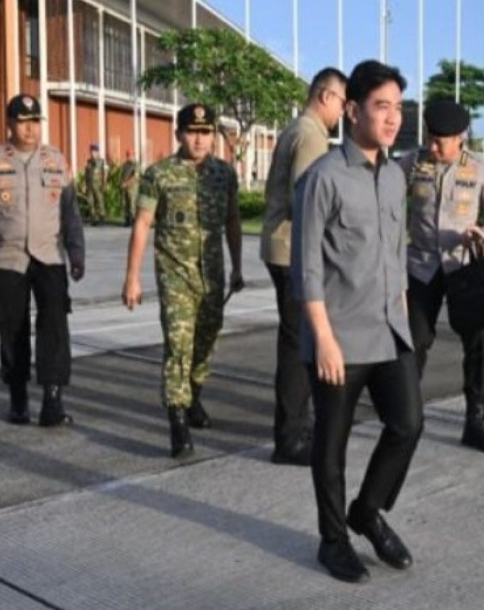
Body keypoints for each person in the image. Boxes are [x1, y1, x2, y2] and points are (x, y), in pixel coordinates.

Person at [293, 60, 422, 584]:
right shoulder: (322, 178)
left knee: (408, 424)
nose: (392, 118)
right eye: (381, 106)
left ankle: (366, 511)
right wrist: (322, 339)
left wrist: (406, 307)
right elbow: (306, 266)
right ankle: (333, 540)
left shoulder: (394, 176)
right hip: (339, 336)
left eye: (397, 108)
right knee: (332, 443)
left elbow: (396, 249)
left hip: (390, 329)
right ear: (352, 111)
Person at [122, 104, 243, 458]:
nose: (200, 138)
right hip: (175, 276)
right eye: (192, 131)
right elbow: (143, 224)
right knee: (179, 346)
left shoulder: (224, 174)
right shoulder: (159, 175)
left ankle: (193, 396)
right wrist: (132, 278)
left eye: (206, 132)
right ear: (178, 134)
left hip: (213, 276)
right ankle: (177, 419)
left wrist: (237, 267)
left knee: (206, 342)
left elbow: (233, 221)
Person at [0, 94, 85, 426]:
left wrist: (77, 253)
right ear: (9, 123)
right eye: (22, 121)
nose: (30, 129)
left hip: (50, 256)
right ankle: (18, 398)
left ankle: (53, 400)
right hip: (7, 258)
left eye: (35, 122)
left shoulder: (57, 161)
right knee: (11, 329)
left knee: (54, 328)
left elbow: (70, 212)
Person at [400, 100, 484, 454]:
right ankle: (407, 417)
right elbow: (385, 197)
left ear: (460, 137)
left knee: (479, 343)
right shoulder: (412, 163)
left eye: (441, 141)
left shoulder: (479, 168)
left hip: (464, 267)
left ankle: (474, 420)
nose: (434, 147)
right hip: (421, 267)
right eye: (431, 138)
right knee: (414, 340)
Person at [259, 67, 347, 466]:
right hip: (292, 251)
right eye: (343, 103)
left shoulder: (296, 128)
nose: (342, 113)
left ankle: (297, 426)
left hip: (280, 247)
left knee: (295, 342)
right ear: (326, 97)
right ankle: (291, 437)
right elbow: (307, 199)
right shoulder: (312, 134)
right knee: (298, 346)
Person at [84, 144, 108, 225]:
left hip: (98, 184)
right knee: (90, 201)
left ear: (97, 152)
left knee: (99, 200)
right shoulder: (89, 162)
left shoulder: (102, 161)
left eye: (94, 152)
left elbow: (105, 173)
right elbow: (86, 173)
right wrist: (85, 184)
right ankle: (94, 218)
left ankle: (102, 216)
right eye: (91, 152)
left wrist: (104, 184)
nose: (92, 153)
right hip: (90, 185)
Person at [118, 151, 140, 226]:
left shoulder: (136, 165)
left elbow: (135, 177)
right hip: (125, 187)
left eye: (130, 156)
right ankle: (127, 220)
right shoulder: (125, 165)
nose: (128, 157)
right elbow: (121, 175)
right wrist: (121, 183)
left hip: (132, 188)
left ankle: (133, 220)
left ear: (133, 156)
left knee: (132, 204)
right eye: (127, 155)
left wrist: (126, 184)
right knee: (125, 204)